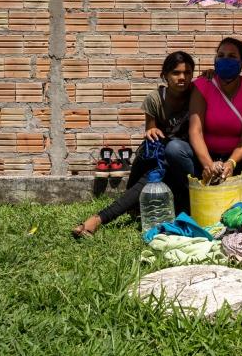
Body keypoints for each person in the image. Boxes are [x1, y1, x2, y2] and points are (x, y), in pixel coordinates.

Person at [71, 51, 195, 238]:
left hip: (186, 158)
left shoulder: (197, 93)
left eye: (187, 73)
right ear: (165, 76)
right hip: (162, 158)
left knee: (158, 170)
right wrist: (152, 132)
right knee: (152, 172)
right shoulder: (155, 99)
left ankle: (99, 218)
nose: (182, 77)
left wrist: (210, 74)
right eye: (176, 73)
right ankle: (112, 213)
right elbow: (151, 129)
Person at [165, 37, 242, 205]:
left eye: (232, 56)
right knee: (174, 149)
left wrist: (231, 163)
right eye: (221, 55)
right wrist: (208, 165)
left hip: (238, 160)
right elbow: (195, 131)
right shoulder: (203, 85)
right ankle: (197, 197)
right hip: (204, 158)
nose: (225, 59)